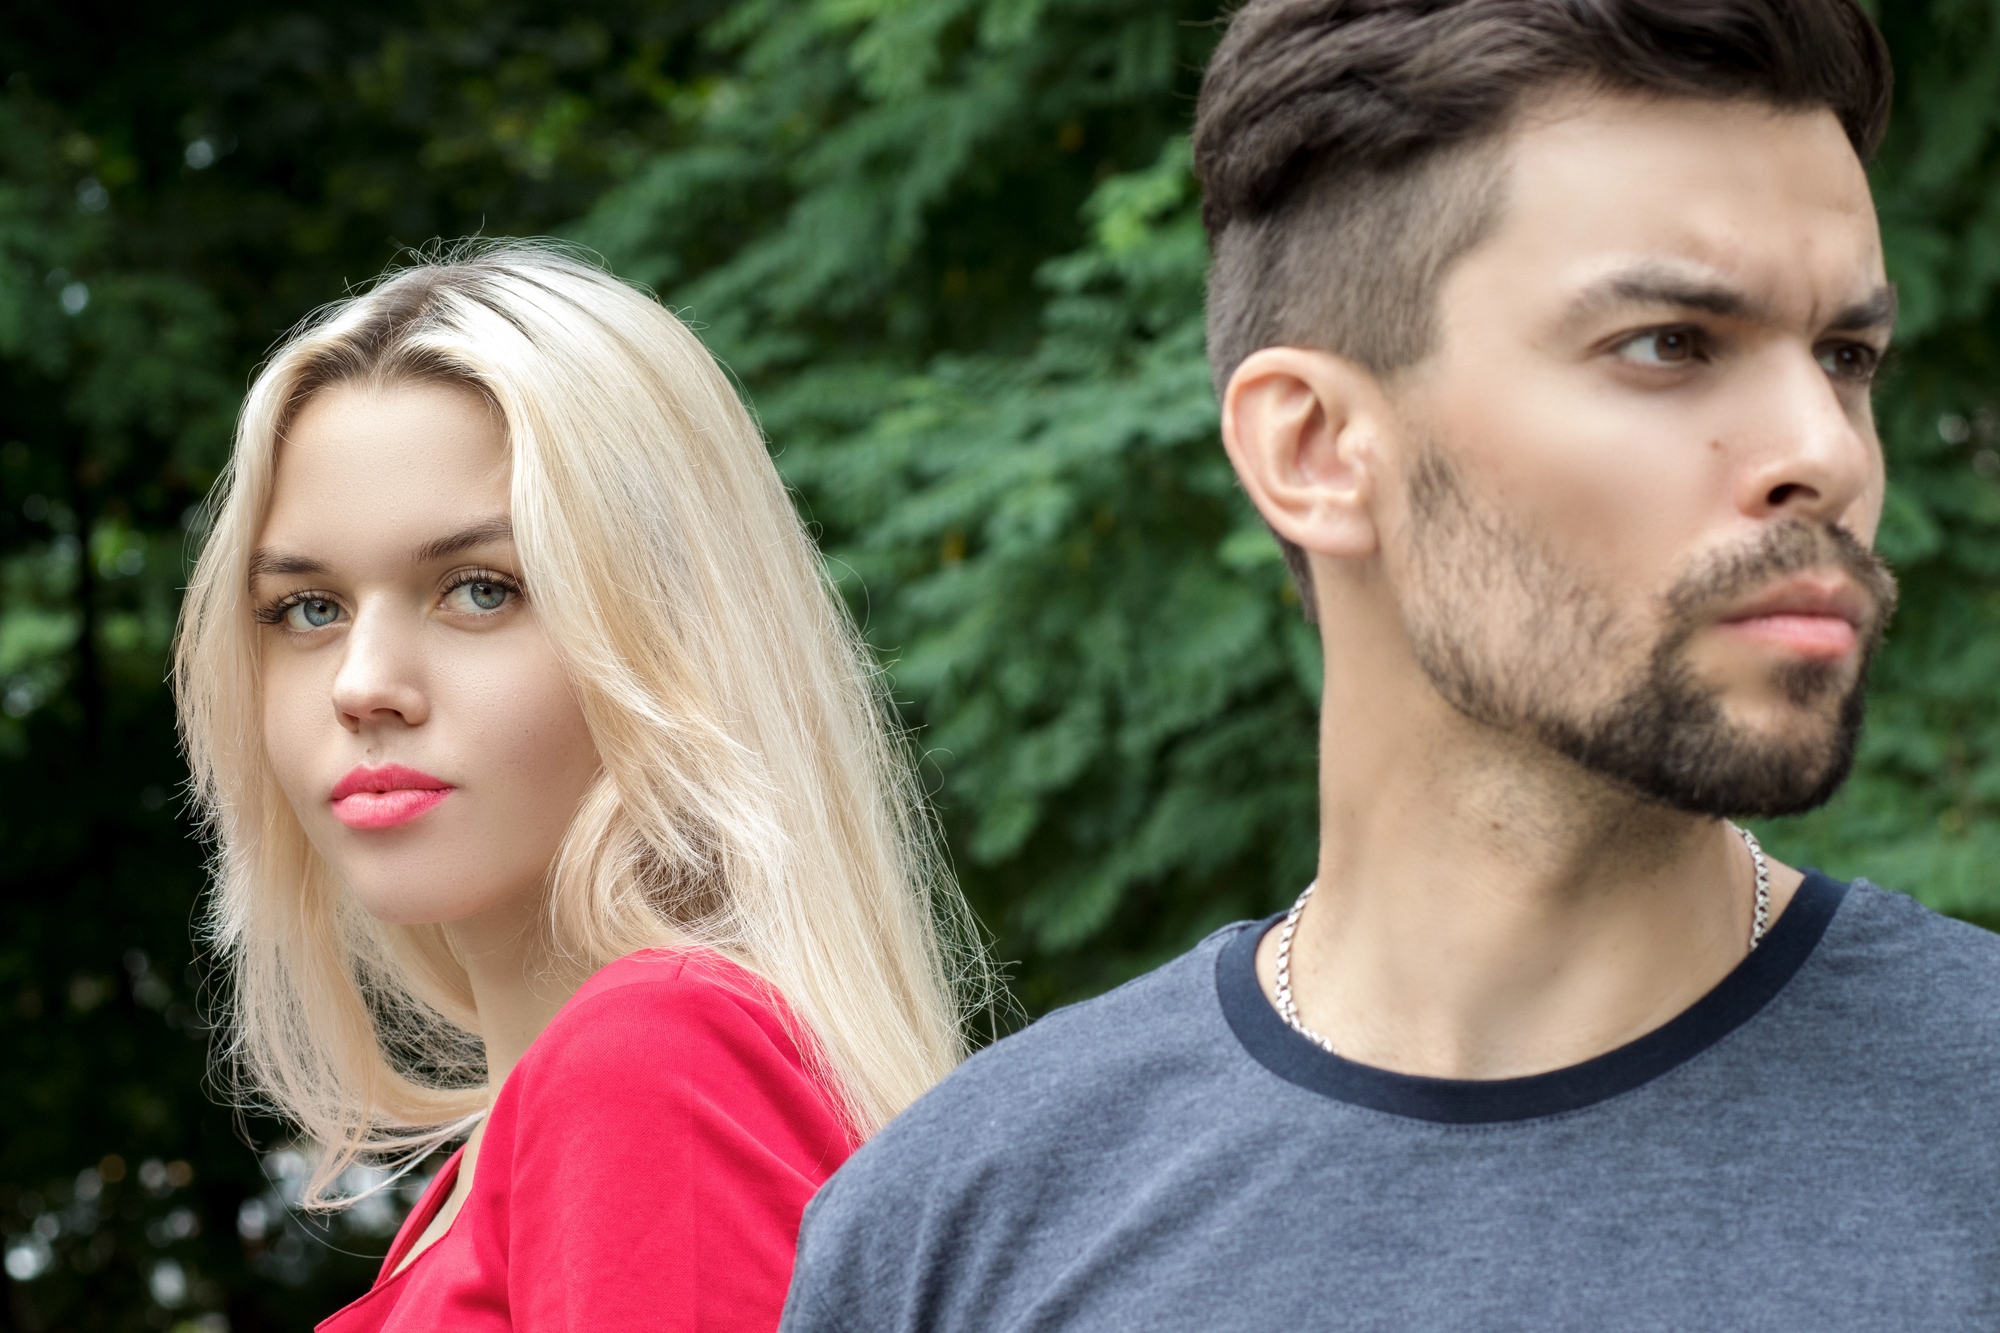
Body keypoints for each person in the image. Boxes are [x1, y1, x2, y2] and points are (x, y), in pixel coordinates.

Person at [778, 2, 2000, 1328]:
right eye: (1669, 344)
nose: (1824, 448)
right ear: (1312, 448)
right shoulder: (961, 1232)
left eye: (1846, 355)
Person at [173, 243, 981, 1331]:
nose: (364, 685)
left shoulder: (650, 1065)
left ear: (671, 635)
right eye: (307, 608)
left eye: (477, 589)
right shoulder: (502, 1168)